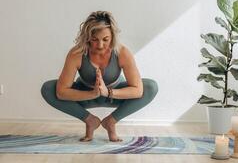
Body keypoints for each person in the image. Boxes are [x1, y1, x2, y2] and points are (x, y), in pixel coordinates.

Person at [41, 11, 158, 142]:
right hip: (86, 96)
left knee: (150, 87)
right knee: (48, 88)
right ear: (87, 37)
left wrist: (107, 92)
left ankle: (111, 122)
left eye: (105, 39)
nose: (100, 45)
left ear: (112, 36)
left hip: (114, 96)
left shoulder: (122, 52)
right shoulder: (77, 53)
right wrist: (93, 93)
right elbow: (61, 92)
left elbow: (138, 90)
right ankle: (90, 120)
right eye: (94, 39)